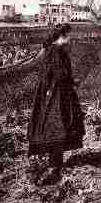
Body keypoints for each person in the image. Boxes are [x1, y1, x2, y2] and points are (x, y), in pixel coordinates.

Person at [27, 23, 85, 183]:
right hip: (57, 92)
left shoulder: (51, 49)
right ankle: (55, 163)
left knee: (54, 124)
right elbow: (60, 74)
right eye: (69, 34)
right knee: (59, 123)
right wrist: (73, 81)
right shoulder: (57, 51)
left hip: (52, 90)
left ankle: (55, 161)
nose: (71, 38)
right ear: (63, 35)